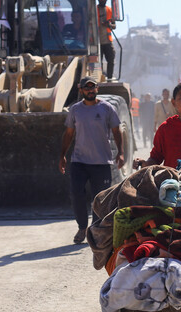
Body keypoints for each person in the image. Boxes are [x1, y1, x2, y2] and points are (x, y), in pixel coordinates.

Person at [59, 76, 125, 244]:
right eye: (86, 88)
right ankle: (82, 227)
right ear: (81, 90)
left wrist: (121, 152)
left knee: (99, 199)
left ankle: (95, 229)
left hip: (101, 162)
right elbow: (69, 134)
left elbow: (117, 131)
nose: (90, 90)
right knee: (76, 194)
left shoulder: (107, 108)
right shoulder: (75, 110)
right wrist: (62, 155)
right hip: (79, 162)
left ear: (97, 89)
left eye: (92, 87)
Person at [97, 0, 116, 79]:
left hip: (107, 41)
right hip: (97, 42)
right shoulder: (94, 10)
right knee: (98, 61)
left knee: (111, 58)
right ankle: (99, 76)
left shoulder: (110, 10)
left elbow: (114, 26)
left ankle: (109, 77)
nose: (102, 0)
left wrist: (109, 25)